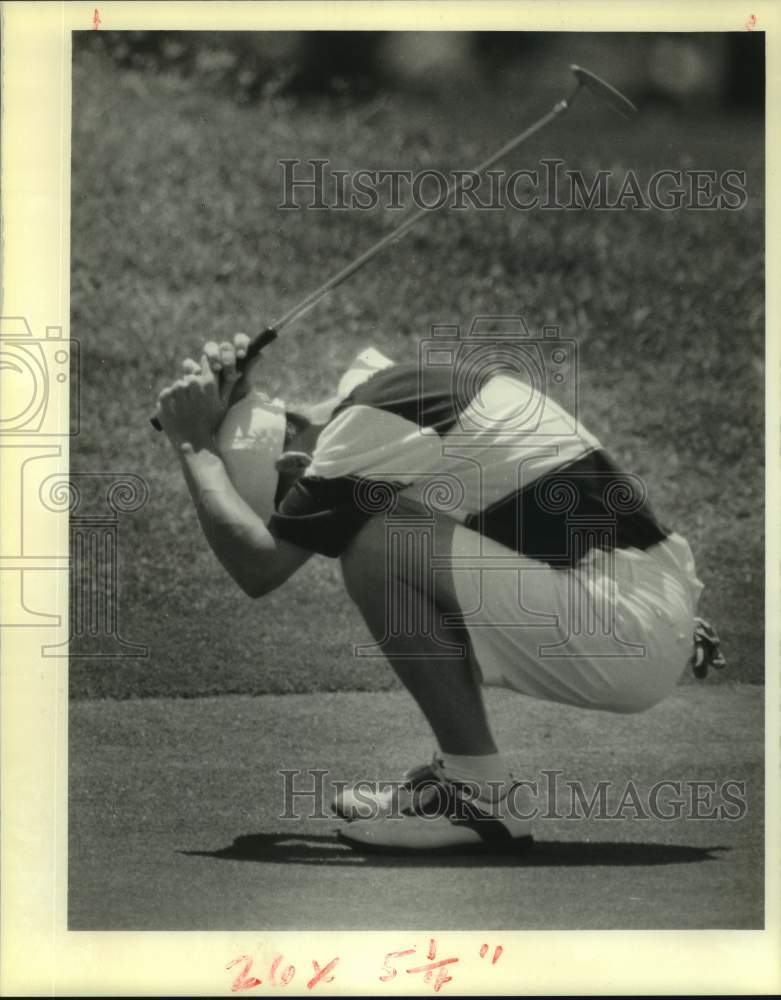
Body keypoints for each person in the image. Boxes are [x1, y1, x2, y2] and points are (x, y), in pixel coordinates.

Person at [156, 328, 724, 854]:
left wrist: (195, 445)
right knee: (392, 515)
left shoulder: (365, 428)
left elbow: (257, 567)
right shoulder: (395, 395)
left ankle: (478, 793)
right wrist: (240, 407)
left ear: (292, 463)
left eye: (287, 501)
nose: (301, 518)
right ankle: (462, 784)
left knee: (375, 541)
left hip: (627, 627)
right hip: (644, 603)